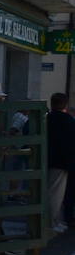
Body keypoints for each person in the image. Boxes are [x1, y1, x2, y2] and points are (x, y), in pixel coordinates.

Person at [46, 92, 75, 233]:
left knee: (50, 192)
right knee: (56, 194)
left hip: (48, 159)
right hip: (62, 162)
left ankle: (53, 221)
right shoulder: (68, 120)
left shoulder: (46, 118)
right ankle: (52, 222)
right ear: (65, 104)